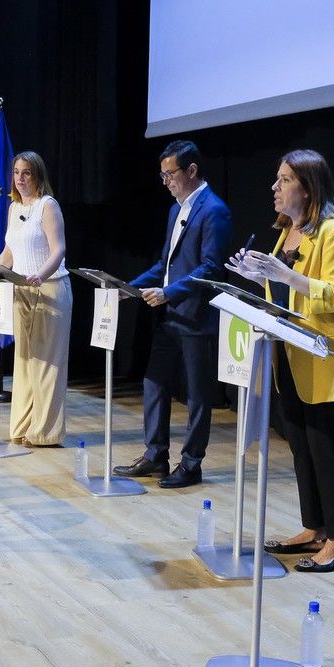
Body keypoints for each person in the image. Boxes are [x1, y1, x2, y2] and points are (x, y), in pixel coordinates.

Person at [228, 149, 334, 572]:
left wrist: (285, 275)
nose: (275, 187)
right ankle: (314, 527)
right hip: (288, 356)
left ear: (307, 187)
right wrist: (260, 278)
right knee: (301, 447)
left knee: (326, 450)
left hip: (322, 356)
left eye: (283, 180)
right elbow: (284, 295)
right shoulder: (288, 232)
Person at [114, 140, 233, 488]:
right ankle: (155, 456)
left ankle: (192, 463)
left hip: (196, 316)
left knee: (198, 395)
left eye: (170, 174)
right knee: (154, 383)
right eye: (162, 175)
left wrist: (169, 293)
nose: (165, 181)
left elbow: (211, 268)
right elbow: (165, 265)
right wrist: (130, 287)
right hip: (170, 317)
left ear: (191, 171)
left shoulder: (214, 210)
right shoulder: (176, 209)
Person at [0, 151, 71, 446]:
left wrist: (40, 275)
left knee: (47, 364)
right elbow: (10, 252)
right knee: (25, 360)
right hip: (21, 290)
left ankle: (45, 432)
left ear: (38, 175)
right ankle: (24, 426)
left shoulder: (47, 206)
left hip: (50, 287)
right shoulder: (14, 207)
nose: (20, 178)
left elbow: (58, 250)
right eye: (16, 172)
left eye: (26, 173)